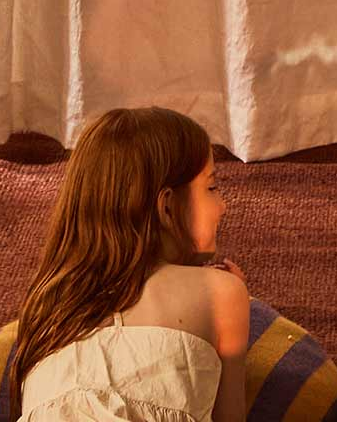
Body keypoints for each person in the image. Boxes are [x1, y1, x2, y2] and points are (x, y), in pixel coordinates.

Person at [13, 107, 251, 422]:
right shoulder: (220, 292)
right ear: (167, 206)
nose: (223, 205)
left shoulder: (48, 301)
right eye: (211, 187)